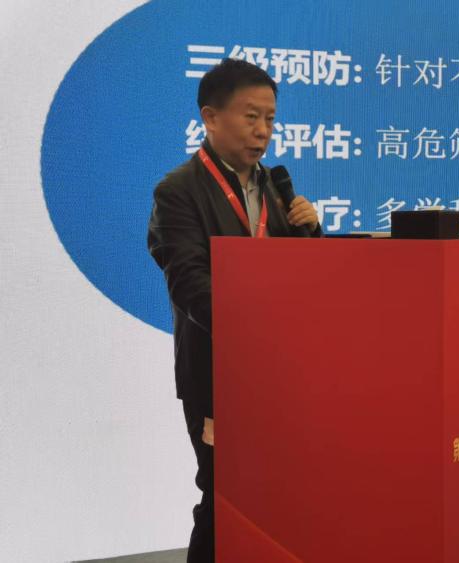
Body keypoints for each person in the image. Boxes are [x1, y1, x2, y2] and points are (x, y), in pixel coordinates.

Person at [147, 58, 322, 562]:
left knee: (281, 493)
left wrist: (312, 233)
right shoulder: (178, 191)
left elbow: (307, 284)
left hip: (280, 373)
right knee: (225, 498)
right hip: (218, 376)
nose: (263, 131)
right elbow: (190, 286)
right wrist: (257, 333)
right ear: (210, 116)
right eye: (251, 117)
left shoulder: (275, 188)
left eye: (270, 119)